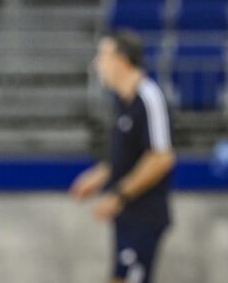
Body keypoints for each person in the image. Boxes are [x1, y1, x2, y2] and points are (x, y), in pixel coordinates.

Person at [70, 31, 176, 283]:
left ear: (121, 59)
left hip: (144, 214)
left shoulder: (149, 97)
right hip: (128, 216)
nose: (98, 64)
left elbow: (161, 157)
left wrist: (119, 195)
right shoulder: (124, 104)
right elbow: (130, 155)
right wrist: (99, 175)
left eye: (103, 56)